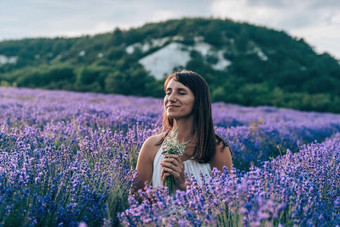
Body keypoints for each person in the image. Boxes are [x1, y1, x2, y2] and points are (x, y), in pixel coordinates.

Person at [132, 70, 233, 193]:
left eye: (181, 93)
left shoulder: (216, 148)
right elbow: (135, 198)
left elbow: (227, 201)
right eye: (168, 92)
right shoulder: (152, 145)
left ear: (198, 100)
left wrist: (184, 185)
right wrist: (162, 191)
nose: (171, 98)